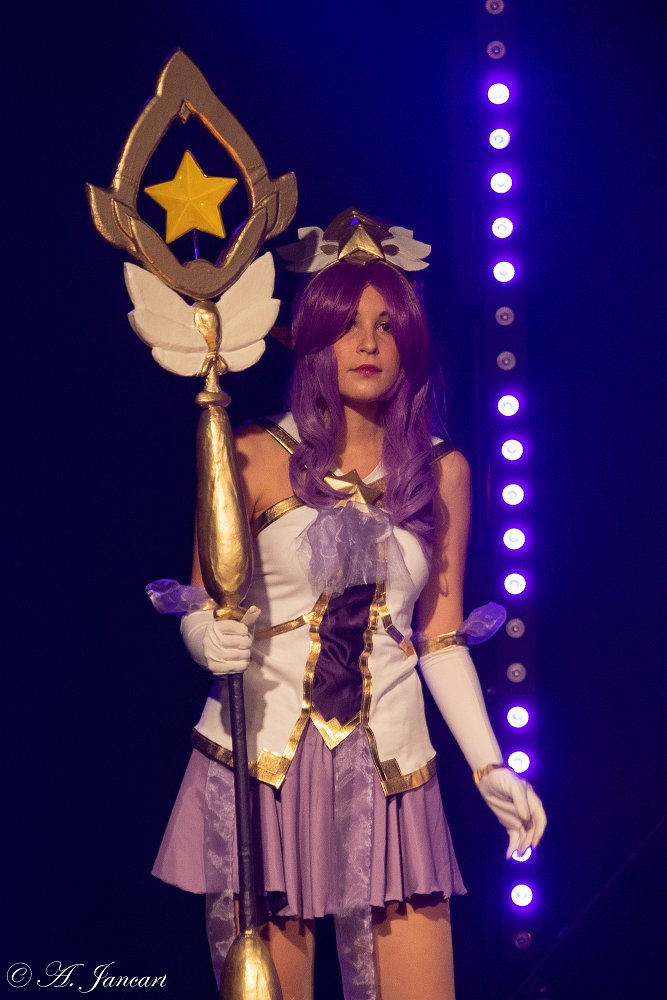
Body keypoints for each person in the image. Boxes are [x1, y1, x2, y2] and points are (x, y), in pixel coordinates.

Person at [151, 209, 546, 1000]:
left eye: (386, 326)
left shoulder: (441, 470)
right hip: (262, 767)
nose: (367, 343)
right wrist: (203, 637)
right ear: (310, 340)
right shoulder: (248, 453)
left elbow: (438, 638)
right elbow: (201, 599)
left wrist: (489, 764)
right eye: (345, 325)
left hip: (391, 770)